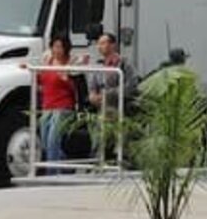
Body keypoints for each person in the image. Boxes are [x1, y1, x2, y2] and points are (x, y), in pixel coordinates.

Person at [36, 35, 80, 167]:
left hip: (63, 106)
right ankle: (64, 165)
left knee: (53, 139)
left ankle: (52, 171)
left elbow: (76, 88)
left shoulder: (70, 64)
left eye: (60, 47)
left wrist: (65, 79)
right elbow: (41, 81)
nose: (57, 50)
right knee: (44, 140)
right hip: (47, 105)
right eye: (55, 47)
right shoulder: (47, 62)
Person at [87, 32, 135, 119]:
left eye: (102, 43)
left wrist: (108, 95)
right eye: (98, 44)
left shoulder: (124, 64)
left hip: (119, 109)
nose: (99, 47)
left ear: (113, 45)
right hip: (101, 111)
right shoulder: (98, 65)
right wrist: (92, 96)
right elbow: (92, 87)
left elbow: (130, 86)